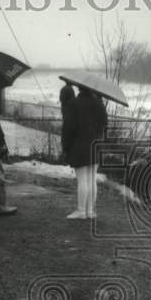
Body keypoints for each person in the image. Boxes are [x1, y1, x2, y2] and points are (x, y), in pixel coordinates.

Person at [61, 86, 108, 220]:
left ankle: (81, 211)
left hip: (79, 147)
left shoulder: (74, 104)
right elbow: (105, 124)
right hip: (96, 146)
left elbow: (68, 128)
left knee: (82, 180)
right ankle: (90, 211)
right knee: (92, 179)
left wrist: (66, 147)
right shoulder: (99, 104)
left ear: (79, 88)